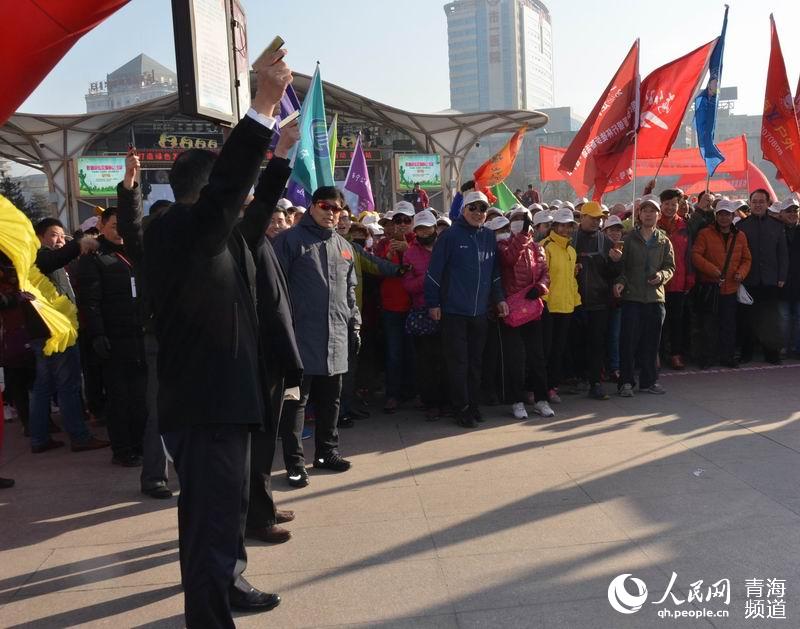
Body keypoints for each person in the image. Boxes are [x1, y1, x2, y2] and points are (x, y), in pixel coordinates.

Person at [142, 49, 291, 626]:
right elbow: (232, 192)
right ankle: (209, 616)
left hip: (227, 403)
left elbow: (251, 213)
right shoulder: (180, 231)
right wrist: (261, 107)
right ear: (207, 195)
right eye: (237, 194)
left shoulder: (219, 238)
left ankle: (229, 585)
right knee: (206, 524)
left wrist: (279, 155)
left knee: (223, 516)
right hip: (203, 408)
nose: (248, 202)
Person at [234, 122, 304, 546]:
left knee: (267, 444)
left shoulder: (260, 241)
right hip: (259, 358)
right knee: (258, 447)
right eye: (271, 214)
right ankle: (257, 519)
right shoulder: (244, 235)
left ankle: (265, 504)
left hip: (274, 356)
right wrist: (281, 151)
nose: (277, 219)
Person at [273, 186, 360, 486]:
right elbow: (274, 291)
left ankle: (326, 452)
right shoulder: (289, 241)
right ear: (312, 206)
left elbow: (350, 291)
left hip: (335, 336)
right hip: (299, 338)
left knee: (331, 400)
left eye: (337, 209)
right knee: (296, 403)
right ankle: (295, 463)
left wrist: (355, 325)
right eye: (325, 206)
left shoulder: (344, 246)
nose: (331, 213)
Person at [425, 191, 508, 428]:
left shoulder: (489, 237)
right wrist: (433, 303)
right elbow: (434, 273)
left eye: (482, 209)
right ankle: (460, 408)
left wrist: (499, 298)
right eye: (473, 208)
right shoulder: (450, 236)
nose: (478, 213)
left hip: (480, 312)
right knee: (458, 363)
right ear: (463, 210)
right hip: (453, 312)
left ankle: (473, 405)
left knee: (475, 362)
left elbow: (494, 274)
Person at [76, 209, 149, 467]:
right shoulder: (94, 256)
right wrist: (97, 334)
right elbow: (90, 301)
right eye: (115, 225)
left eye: (125, 225)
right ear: (102, 225)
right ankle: (122, 449)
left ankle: (142, 444)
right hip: (113, 338)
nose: (120, 230)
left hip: (139, 336)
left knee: (141, 397)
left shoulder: (138, 252)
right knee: (120, 398)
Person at [30, 219, 109, 454]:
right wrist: (78, 244)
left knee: (44, 386)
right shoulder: (38, 256)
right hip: (56, 331)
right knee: (69, 385)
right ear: (39, 236)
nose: (59, 241)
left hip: (47, 331)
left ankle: (40, 437)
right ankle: (79, 436)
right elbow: (52, 259)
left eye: (62, 236)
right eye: (54, 235)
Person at [613, 194, 675, 397]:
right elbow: (623, 268)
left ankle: (649, 381)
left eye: (652, 211)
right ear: (638, 214)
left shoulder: (664, 240)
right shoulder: (629, 239)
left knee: (651, 343)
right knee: (628, 342)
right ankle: (626, 382)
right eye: (645, 210)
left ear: (658, 215)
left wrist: (662, 276)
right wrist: (621, 283)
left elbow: (670, 267)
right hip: (633, 298)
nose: (649, 214)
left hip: (655, 299)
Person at [497, 208, 553, 419]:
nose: (521, 223)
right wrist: (522, 235)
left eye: (524, 220)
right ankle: (516, 400)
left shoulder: (538, 248)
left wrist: (540, 287)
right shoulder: (503, 245)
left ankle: (541, 399)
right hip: (511, 310)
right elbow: (509, 260)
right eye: (517, 220)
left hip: (532, 308)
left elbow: (545, 273)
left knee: (537, 357)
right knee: (515, 358)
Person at [691, 200, 752, 369]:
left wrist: (741, 272)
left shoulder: (740, 235)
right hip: (711, 287)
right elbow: (696, 255)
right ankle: (707, 357)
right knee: (708, 325)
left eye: (728, 214)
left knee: (729, 325)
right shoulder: (704, 234)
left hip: (731, 288)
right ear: (716, 216)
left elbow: (747, 259)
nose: (724, 217)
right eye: (721, 214)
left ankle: (727, 356)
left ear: (733, 216)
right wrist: (713, 270)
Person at [571, 201, 622, 400]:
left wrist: (616, 263)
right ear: (582, 217)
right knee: (575, 342)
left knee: (596, 344)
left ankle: (595, 383)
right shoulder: (570, 239)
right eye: (592, 218)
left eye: (599, 218)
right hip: (574, 302)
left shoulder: (606, 242)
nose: (596, 222)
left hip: (600, 302)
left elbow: (613, 274)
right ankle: (577, 377)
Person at [402, 210, 447, 420]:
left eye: (428, 227)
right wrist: (428, 280)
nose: (424, 231)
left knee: (447, 359)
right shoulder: (410, 253)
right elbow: (408, 285)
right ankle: (432, 403)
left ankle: (449, 401)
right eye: (420, 228)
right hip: (422, 312)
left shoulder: (445, 247)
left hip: (449, 310)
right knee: (427, 362)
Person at [737, 188, 788, 364]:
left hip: (770, 280)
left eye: (761, 201)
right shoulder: (741, 226)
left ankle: (771, 354)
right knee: (747, 319)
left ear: (768, 204)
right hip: (748, 280)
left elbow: (783, 254)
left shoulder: (777, 225)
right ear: (749, 204)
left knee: (770, 320)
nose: (758, 204)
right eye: (754, 201)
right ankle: (746, 353)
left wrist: (781, 276)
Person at [373, 201, 415, 413]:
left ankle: (413, 392)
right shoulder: (382, 244)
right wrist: (388, 257)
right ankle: (393, 395)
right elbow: (376, 271)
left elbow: (425, 268)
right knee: (394, 353)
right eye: (397, 220)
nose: (402, 224)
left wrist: (408, 251)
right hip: (392, 307)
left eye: (406, 220)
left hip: (415, 306)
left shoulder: (419, 241)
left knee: (414, 353)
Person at [540, 208, 581, 404]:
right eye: (562, 225)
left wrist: (576, 301)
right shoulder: (545, 246)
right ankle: (538, 388)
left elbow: (572, 279)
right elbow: (541, 277)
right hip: (548, 307)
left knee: (558, 350)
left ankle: (551, 387)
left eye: (569, 225)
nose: (565, 229)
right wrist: (543, 303)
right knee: (544, 351)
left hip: (566, 307)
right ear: (554, 226)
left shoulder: (572, 250)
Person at [657, 189, 694, 370]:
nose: (670, 207)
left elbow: (688, 255)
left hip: (678, 282)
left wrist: (690, 277)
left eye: (674, 204)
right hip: (657, 283)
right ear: (661, 205)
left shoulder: (684, 226)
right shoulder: (654, 225)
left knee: (676, 321)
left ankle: (675, 354)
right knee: (657, 321)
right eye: (667, 204)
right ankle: (656, 354)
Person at [602, 216, 625, 381]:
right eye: (612, 230)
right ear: (604, 231)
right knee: (601, 334)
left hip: (618, 299)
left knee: (615, 335)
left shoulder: (625, 249)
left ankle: (615, 367)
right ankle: (601, 367)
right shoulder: (599, 247)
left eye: (618, 229)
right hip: (600, 298)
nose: (615, 233)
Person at [778, 197, 800, 357]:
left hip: (798, 283)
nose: (792, 214)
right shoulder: (775, 231)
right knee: (784, 318)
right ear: (781, 213)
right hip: (781, 284)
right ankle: (784, 348)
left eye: (795, 211)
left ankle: (797, 348)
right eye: (789, 211)